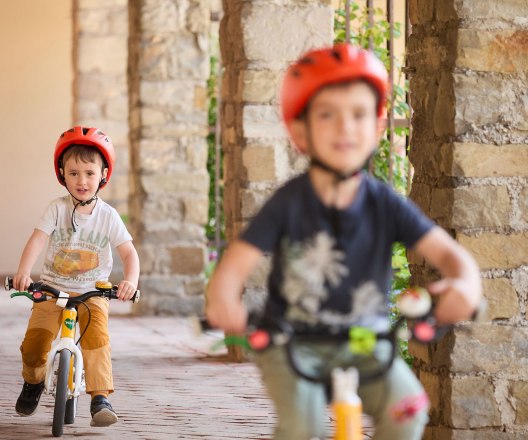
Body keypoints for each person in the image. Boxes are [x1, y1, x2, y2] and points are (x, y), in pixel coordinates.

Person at [205, 44, 482, 439]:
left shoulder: (385, 204)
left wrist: (466, 283)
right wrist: (223, 296)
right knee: (302, 426)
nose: (345, 127)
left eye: (359, 114)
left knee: (407, 411)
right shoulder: (289, 203)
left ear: (378, 128)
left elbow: (450, 256)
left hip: (367, 340)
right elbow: (236, 262)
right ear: (301, 130)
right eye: (327, 115)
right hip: (292, 340)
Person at [12, 126, 139, 427]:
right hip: (52, 289)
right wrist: (24, 272)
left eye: (89, 173)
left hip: (93, 292)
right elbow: (37, 240)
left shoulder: (108, 216)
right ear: (62, 175)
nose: (82, 181)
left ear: (103, 175)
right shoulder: (56, 209)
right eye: (73, 173)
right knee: (35, 344)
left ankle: (100, 399)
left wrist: (130, 281)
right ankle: (33, 382)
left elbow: (129, 253)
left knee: (97, 340)